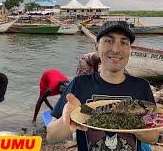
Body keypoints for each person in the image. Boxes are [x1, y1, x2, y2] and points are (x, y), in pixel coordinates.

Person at [46, 21, 159, 150]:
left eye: (123, 42)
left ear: (129, 49)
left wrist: (132, 121)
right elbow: (51, 136)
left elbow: (153, 136)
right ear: (96, 47)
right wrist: (68, 119)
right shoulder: (79, 85)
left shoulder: (141, 87)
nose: (116, 49)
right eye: (109, 41)